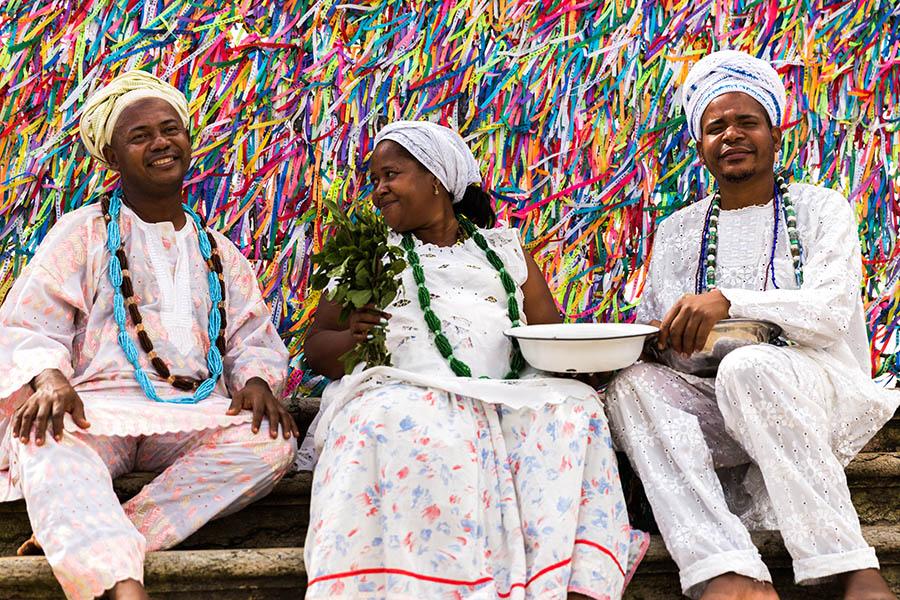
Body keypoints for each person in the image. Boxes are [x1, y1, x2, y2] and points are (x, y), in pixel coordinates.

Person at [302, 120, 648, 599]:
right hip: (403, 386)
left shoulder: (505, 250)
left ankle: (567, 584)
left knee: (576, 408)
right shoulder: (369, 255)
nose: (379, 189)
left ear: (437, 181)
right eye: (375, 179)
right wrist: (350, 338)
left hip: (509, 391)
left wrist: (583, 362)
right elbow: (315, 349)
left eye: (391, 174)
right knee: (396, 420)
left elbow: (548, 333)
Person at [605, 50, 899, 600]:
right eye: (716, 126)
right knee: (630, 387)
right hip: (714, 399)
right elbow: (658, 330)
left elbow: (830, 314)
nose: (732, 135)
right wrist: (628, 347)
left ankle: (849, 564)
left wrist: (727, 300)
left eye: (747, 122)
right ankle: (725, 566)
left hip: (816, 388)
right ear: (700, 145)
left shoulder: (821, 209)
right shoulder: (677, 230)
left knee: (750, 365)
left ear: (773, 132)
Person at [0, 70, 299, 600]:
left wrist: (254, 380)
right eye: (140, 136)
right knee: (45, 438)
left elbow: (252, 337)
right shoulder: (82, 232)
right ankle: (121, 587)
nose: (161, 142)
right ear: (112, 159)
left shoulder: (219, 251)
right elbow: (29, 324)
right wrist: (48, 379)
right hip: (95, 410)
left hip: (191, 413)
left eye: (171, 129)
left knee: (271, 442)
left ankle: (102, 536)